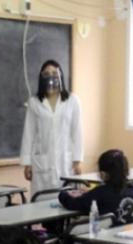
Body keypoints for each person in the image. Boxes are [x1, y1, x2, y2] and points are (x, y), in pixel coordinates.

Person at [20, 59, 83, 196]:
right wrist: (27, 163)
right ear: (41, 77)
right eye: (47, 73)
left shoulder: (72, 100)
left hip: (66, 163)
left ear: (60, 75)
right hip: (42, 164)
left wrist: (77, 161)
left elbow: (77, 132)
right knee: (41, 204)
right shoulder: (34, 102)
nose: (51, 76)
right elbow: (28, 133)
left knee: (66, 202)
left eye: (54, 72)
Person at [58, 148, 133, 226]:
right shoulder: (132, 189)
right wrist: (91, 192)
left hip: (105, 235)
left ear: (103, 174)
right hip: (127, 231)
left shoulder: (100, 192)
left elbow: (73, 204)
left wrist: (63, 193)